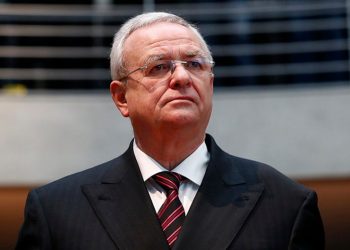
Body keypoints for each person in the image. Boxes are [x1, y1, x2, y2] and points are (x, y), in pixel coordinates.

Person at [16, 12, 324, 250]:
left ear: (210, 84)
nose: (181, 78)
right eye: (159, 67)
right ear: (122, 98)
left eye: (194, 64)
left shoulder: (286, 204)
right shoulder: (56, 211)